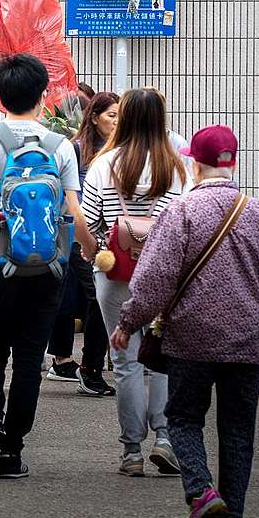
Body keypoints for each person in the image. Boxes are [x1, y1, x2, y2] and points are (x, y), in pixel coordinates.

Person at [110, 125, 259, 518]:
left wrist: (128, 322)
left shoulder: (181, 211)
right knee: (238, 430)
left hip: (191, 339)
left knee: (184, 418)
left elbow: (154, 278)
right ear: (233, 162)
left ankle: (201, 492)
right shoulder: (258, 212)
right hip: (248, 343)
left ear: (194, 163)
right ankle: (232, 513)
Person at [0, 54, 94, 480]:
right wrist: (87, 250)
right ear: (42, 93)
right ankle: (12, 449)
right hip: (47, 267)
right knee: (30, 357)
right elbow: (73, 210)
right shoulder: (60, 146)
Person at [79, 86, 186, 478]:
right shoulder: (176, 167)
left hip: (114, 272)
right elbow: (185, 226)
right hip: (164, 276)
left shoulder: (105, 165)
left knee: (124, 361)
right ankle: (165, 439)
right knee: (160, 360)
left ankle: (131, 453)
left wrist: (96, 256)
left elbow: (88, 222)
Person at [46, 91, 119, 396]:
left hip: (108, 239)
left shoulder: (119, 151)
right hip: (75, 234)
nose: (116, 122)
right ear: (94, 116)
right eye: (111, 115)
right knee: (94, 297)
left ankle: (87, 367)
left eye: (120, 116)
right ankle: (88, 369)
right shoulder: (76, 149)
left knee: (94, 298)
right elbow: (65, 195)